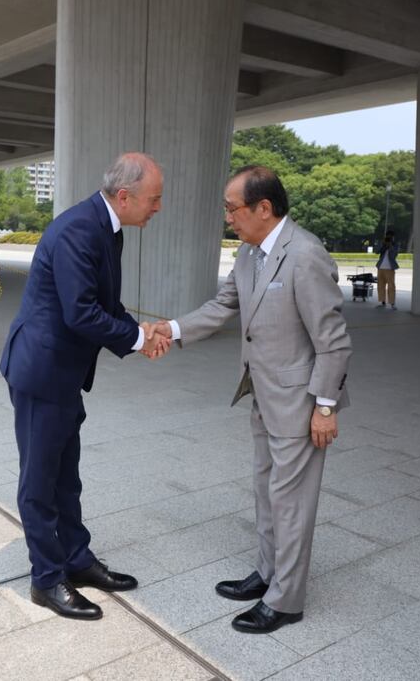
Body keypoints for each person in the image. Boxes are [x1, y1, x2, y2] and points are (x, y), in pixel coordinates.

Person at [153, 165, 351, 634]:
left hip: (302, 403)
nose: (228, 218)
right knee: (267, 490)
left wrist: (325, 406)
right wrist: (172, 330)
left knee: (292, 500)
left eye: (232, 208)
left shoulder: (305, 254)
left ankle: (286, 600)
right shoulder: (249, 253)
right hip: (263, 393)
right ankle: (267, 573)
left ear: (264, 208)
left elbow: (334, 339)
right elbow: (223, 306)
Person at [0, 153, 170, 621]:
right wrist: (137, 338)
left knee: (66, 477)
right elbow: (80, 312)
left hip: (63, 373)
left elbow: (105, 303)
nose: (158, 207)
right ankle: (46, 578)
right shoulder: (80, 229)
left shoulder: (106, 227)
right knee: (39, 481)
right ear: (125, 196)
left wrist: (141, 332)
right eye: (153, 199)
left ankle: (76, 559)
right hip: (41, 371)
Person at [375, 229, 398, 309]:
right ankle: (382, 301)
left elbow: (394, 255)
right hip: (381, 267)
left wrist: (390, 246)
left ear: (393, 238)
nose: (389, 239)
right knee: (380, 285)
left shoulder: (395, 245)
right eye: (388, 237)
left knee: (391, 286)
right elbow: (377, 252)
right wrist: (383, 245)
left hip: (390, 268)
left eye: (390, 237)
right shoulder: (383, 244)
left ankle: (392, 303)